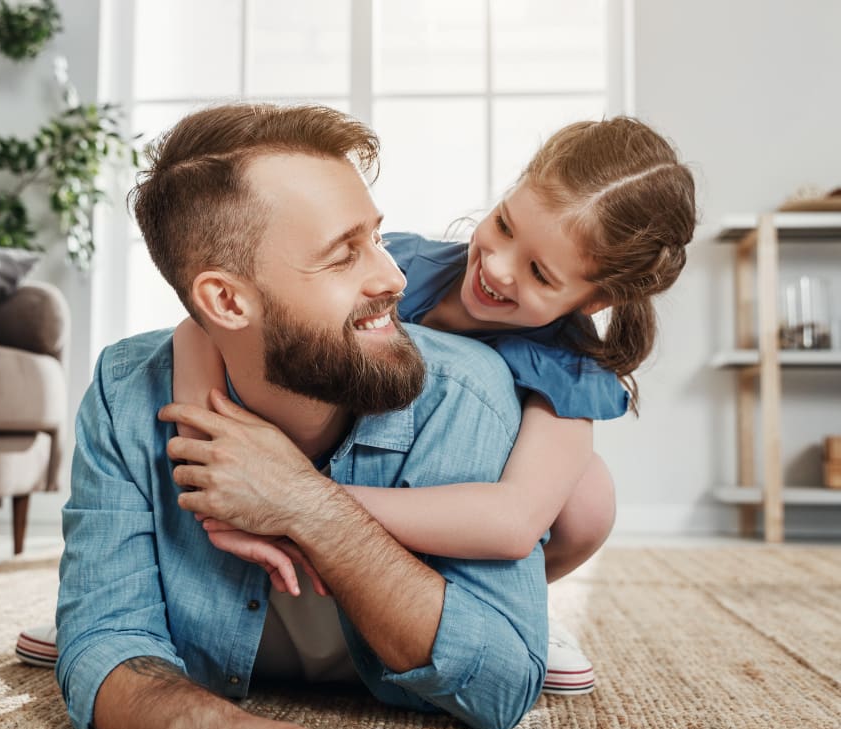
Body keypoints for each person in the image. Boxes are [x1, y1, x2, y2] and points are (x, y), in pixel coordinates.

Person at [53, 102, 550, 729]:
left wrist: (305, 504)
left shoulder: (468, 390)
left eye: (376, 238)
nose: (394, 279)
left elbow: (502, 687)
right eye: (345, 254)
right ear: (225, 302)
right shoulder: (125, 392)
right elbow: (104, 644)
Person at [169, 116, 697, 694]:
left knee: (589, 497)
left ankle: (508, 615)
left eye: (540, 273)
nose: (497, 266)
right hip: (335, 456)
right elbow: (203, 327)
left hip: (433, 514)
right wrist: (208, 471)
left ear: (594, 298)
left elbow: (514, 521)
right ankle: (149, 596)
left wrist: (299, 500)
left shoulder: (569, 370)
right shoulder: (396, 266)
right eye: (504, 225)